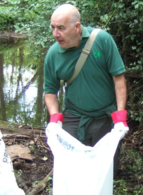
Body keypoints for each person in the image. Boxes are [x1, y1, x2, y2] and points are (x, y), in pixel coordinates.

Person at [44, 4, 128, 172]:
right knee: (71, 167)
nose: (55, 34)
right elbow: (50, 91)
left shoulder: (102, 40)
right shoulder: (53, 54)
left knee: (105, 169)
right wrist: (54, 119)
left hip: (104, 115)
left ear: (77, 27)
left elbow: (118, 79)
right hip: (74, 116)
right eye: (53, 28)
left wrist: (119, 117)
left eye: (61, 28)